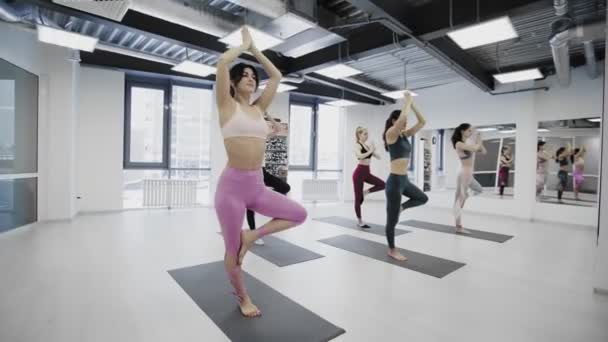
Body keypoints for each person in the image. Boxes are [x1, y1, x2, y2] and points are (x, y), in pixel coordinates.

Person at [214, 27, 307, 318]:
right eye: (246, 75)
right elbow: (221, 64)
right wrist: (242, 45)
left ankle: (252, 235)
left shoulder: (258, 109)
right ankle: (242, 298)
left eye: (254, 77)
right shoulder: (226, 105)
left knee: (299, 214)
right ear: (234, 82)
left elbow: (276, 76)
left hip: (256, 185)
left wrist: (256, 52)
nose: (252, 79)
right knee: (232, 251)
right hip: (231, 189)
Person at [383, 92, 428, 261]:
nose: (405, 123)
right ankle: (392, 249)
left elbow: (422, 122)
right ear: (394, 121)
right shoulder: (391, 134)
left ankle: (402, 208)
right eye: (401, 120)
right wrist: (406, 102)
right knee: (392, 220)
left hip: (405, 180)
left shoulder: (403, 135)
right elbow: (402, 119)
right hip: (394, 182)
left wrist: (413, 103)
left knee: (422, 198)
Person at [246, 118, 291, 245]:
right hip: (251, 173)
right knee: (250, 206)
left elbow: (278, 129)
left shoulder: (262, 138)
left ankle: (270, 202)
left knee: (285, 187)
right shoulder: (246, 142)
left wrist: (268, 116)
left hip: (263, 171)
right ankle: (254, 234)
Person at [451, 123, 486, 233]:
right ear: (463, 131)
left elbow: (483, 151)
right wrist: (479, 140)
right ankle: (458, 227)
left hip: (468, 174)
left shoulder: (467, 143)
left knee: (479, 189)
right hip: (464, 174)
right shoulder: (459, 144)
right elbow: (476, 148)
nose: (471, 132)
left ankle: (466, 195)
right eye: (469, 131)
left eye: (471, 131)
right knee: (459, 202)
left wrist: (479, 142)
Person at [352, 126, 385, 228]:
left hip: (366, 172)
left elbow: (378, 157)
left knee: (383, 184)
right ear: (359, 135)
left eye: (367, 134)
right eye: (365, 134)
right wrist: (371, 151)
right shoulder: (357, 145)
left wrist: (374, 149)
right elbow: (360, 156)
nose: (367, 135)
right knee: (358, 199)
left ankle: (366, 192)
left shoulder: (366, 146)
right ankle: (360, 221)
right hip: (359, 174)